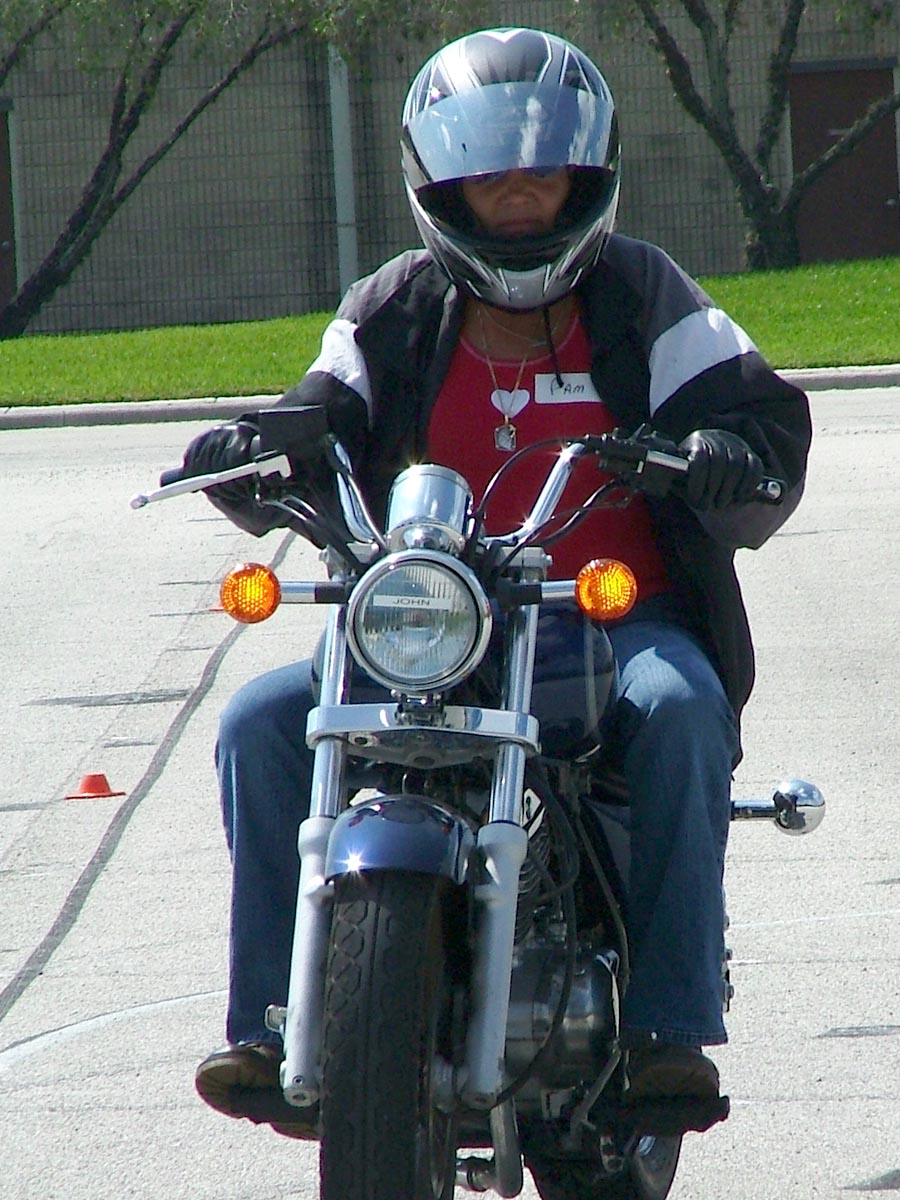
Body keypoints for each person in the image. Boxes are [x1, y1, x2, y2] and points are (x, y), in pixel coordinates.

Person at [182, 27, 812, 1137]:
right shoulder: (393, 304)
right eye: (490, 177)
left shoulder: (643, 294)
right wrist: (249, 450)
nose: (519, 198)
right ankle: (273, 1021)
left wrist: (727, 452)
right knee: (259, 722)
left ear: (589, 176)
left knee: (681, 710)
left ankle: (670, 1027)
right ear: (443, 187)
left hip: (611, 616)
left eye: (542, 175)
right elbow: (318, 411)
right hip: (428, 614)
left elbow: (758, 414)